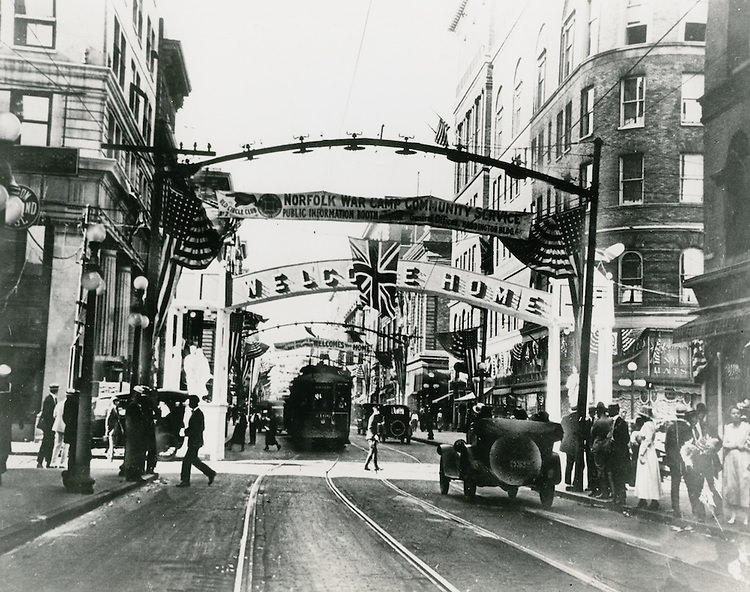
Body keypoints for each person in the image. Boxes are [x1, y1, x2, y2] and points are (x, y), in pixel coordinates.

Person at [177, 395, 216, 487]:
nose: (189, 403)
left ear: (194, 402)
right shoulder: (197, 413)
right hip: (195, 441)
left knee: (187, 461)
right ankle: (210, 473)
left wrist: (186, 432)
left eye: (190, 402)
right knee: (194, 460)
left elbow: (198, 428)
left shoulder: (198, 414)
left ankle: (185, 481)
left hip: (195, 441)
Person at [722, 405, 750, 525]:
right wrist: (735, 445)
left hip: (744, 458)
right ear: (730, 415)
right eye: (733, 413)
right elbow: (724, 444)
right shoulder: (727, 428)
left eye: (738, 413)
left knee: (744, 485)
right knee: (732, 486)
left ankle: (746, 517)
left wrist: (744, 446)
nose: (736, 415)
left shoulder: (746, 427)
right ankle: (733, 515)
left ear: (741, 414)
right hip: (731, 459)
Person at [664, 405, 693, 518]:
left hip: (673, 460)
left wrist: (670, 457)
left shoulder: (671, 427)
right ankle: (694, 509)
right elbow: (690, 445)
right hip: (685, 460)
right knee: (689, 484)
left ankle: (675, 508)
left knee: (674, 484)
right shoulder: (687, 427)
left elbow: (667, 445)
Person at [634, 407, 661, 510]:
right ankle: (643, 499)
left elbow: (647, 439)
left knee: (648, 475)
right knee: (646, 476)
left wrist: (641, 453)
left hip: (647, 452)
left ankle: (652, 500)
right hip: (649, 451)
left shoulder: (647, 425)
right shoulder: (651, 424)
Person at [608, 403, 631, 508]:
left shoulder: (621, 423)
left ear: (615, 410)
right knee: (615, 475)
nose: (608, 412)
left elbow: (625, 439)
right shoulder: (613, 422)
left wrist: (615, 443)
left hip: (619, 454)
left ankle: (621, 497)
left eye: (610, 410)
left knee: (619, 476)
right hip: (614, 453)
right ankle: (617, 496)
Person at [122, 388, 147, 482]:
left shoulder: (135, 406)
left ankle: (135, 475)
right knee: (133, 455)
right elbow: (133, 422)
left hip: (135, 435)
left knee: (135, 455)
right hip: (134, 435)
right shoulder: (133, 406)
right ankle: (132, 475)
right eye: (139, 395)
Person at [590, 402, 613, 499]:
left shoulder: (597, 422)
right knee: (608, 469)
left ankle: (603, 492)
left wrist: (591, 446)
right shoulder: (610, 420)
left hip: (598, 446)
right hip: (607, 446)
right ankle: (610, 490)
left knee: (600, 469)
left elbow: (592, 434)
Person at [36, 383, 58, 468]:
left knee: (49, 443)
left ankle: (47, 461)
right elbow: (47, 414)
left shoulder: (52, 399)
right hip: (48, 426)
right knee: (46, 443)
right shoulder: (49, 399)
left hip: (50, 426)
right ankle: (41, 461)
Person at [561, 405, 583, 491]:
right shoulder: (579, 418)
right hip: (576, 444)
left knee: (569, 463)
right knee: (579, 463)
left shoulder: (565, 418)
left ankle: (568, 481)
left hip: (567, 443)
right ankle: (575, 482)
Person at [0, 368, 12, 486]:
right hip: (4, 423)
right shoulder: (9, 388)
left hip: (4, 422)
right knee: (4, 448)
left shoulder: (9, 388)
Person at [50, 392, 68, 468]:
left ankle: (53, 462)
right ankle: (62, 462)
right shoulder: (70, 405)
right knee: (65, 445)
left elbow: (54, 414)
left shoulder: (59, 404)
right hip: (66, 426)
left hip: (58, 426)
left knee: (57, 445)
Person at [364, 406, 382, 471]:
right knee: (372, 452)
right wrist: (374, 435)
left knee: (374, 452)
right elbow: (370, 428)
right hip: (371, 437)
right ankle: (366, 465)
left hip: (372, 437)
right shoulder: (373, 417)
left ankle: (375, 466)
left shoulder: (374, 417)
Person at [105, 398, 121, 463]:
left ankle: (109, 454)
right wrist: (107, 429)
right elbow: (108, 420)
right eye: (117, 401)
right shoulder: (112, 409)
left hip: (116, 429)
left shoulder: (116, 409)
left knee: (113, 444)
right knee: (112, 444)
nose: (118, 402)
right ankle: (110, 457)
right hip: (112, 429)